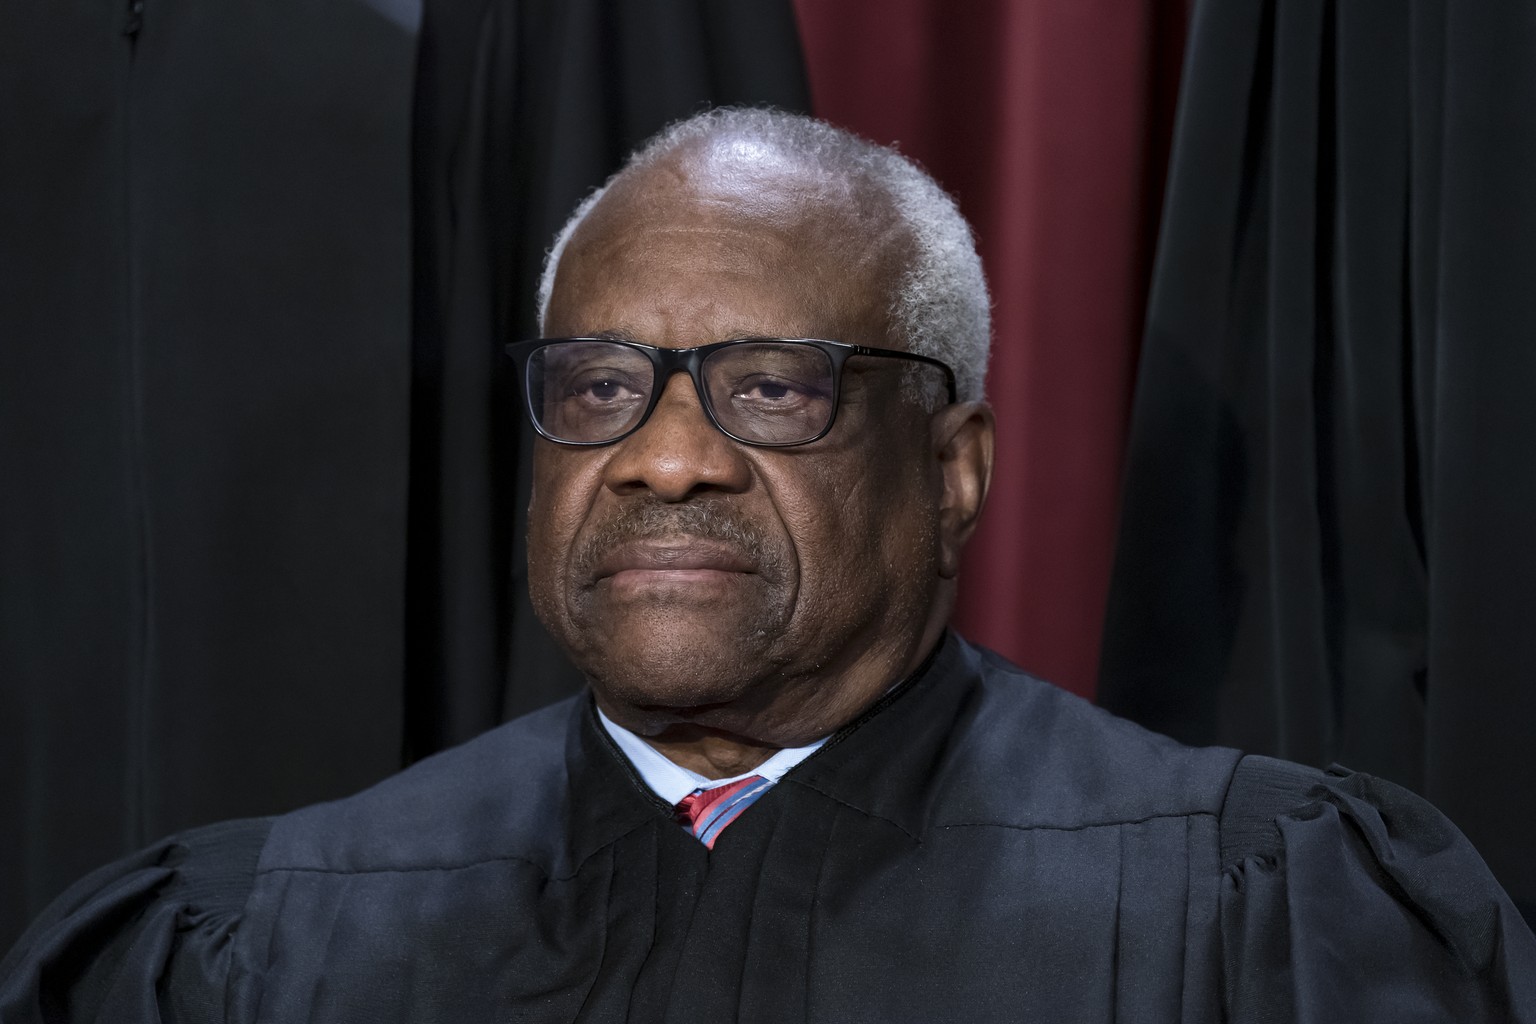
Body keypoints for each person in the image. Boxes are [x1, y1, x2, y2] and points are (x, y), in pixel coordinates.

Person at [3, 107, 1534, 1023]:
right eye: (603, 384)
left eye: (773, 386)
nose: (667, 456)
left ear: (954, 470)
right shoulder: (269, 944)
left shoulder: (1243, 919)